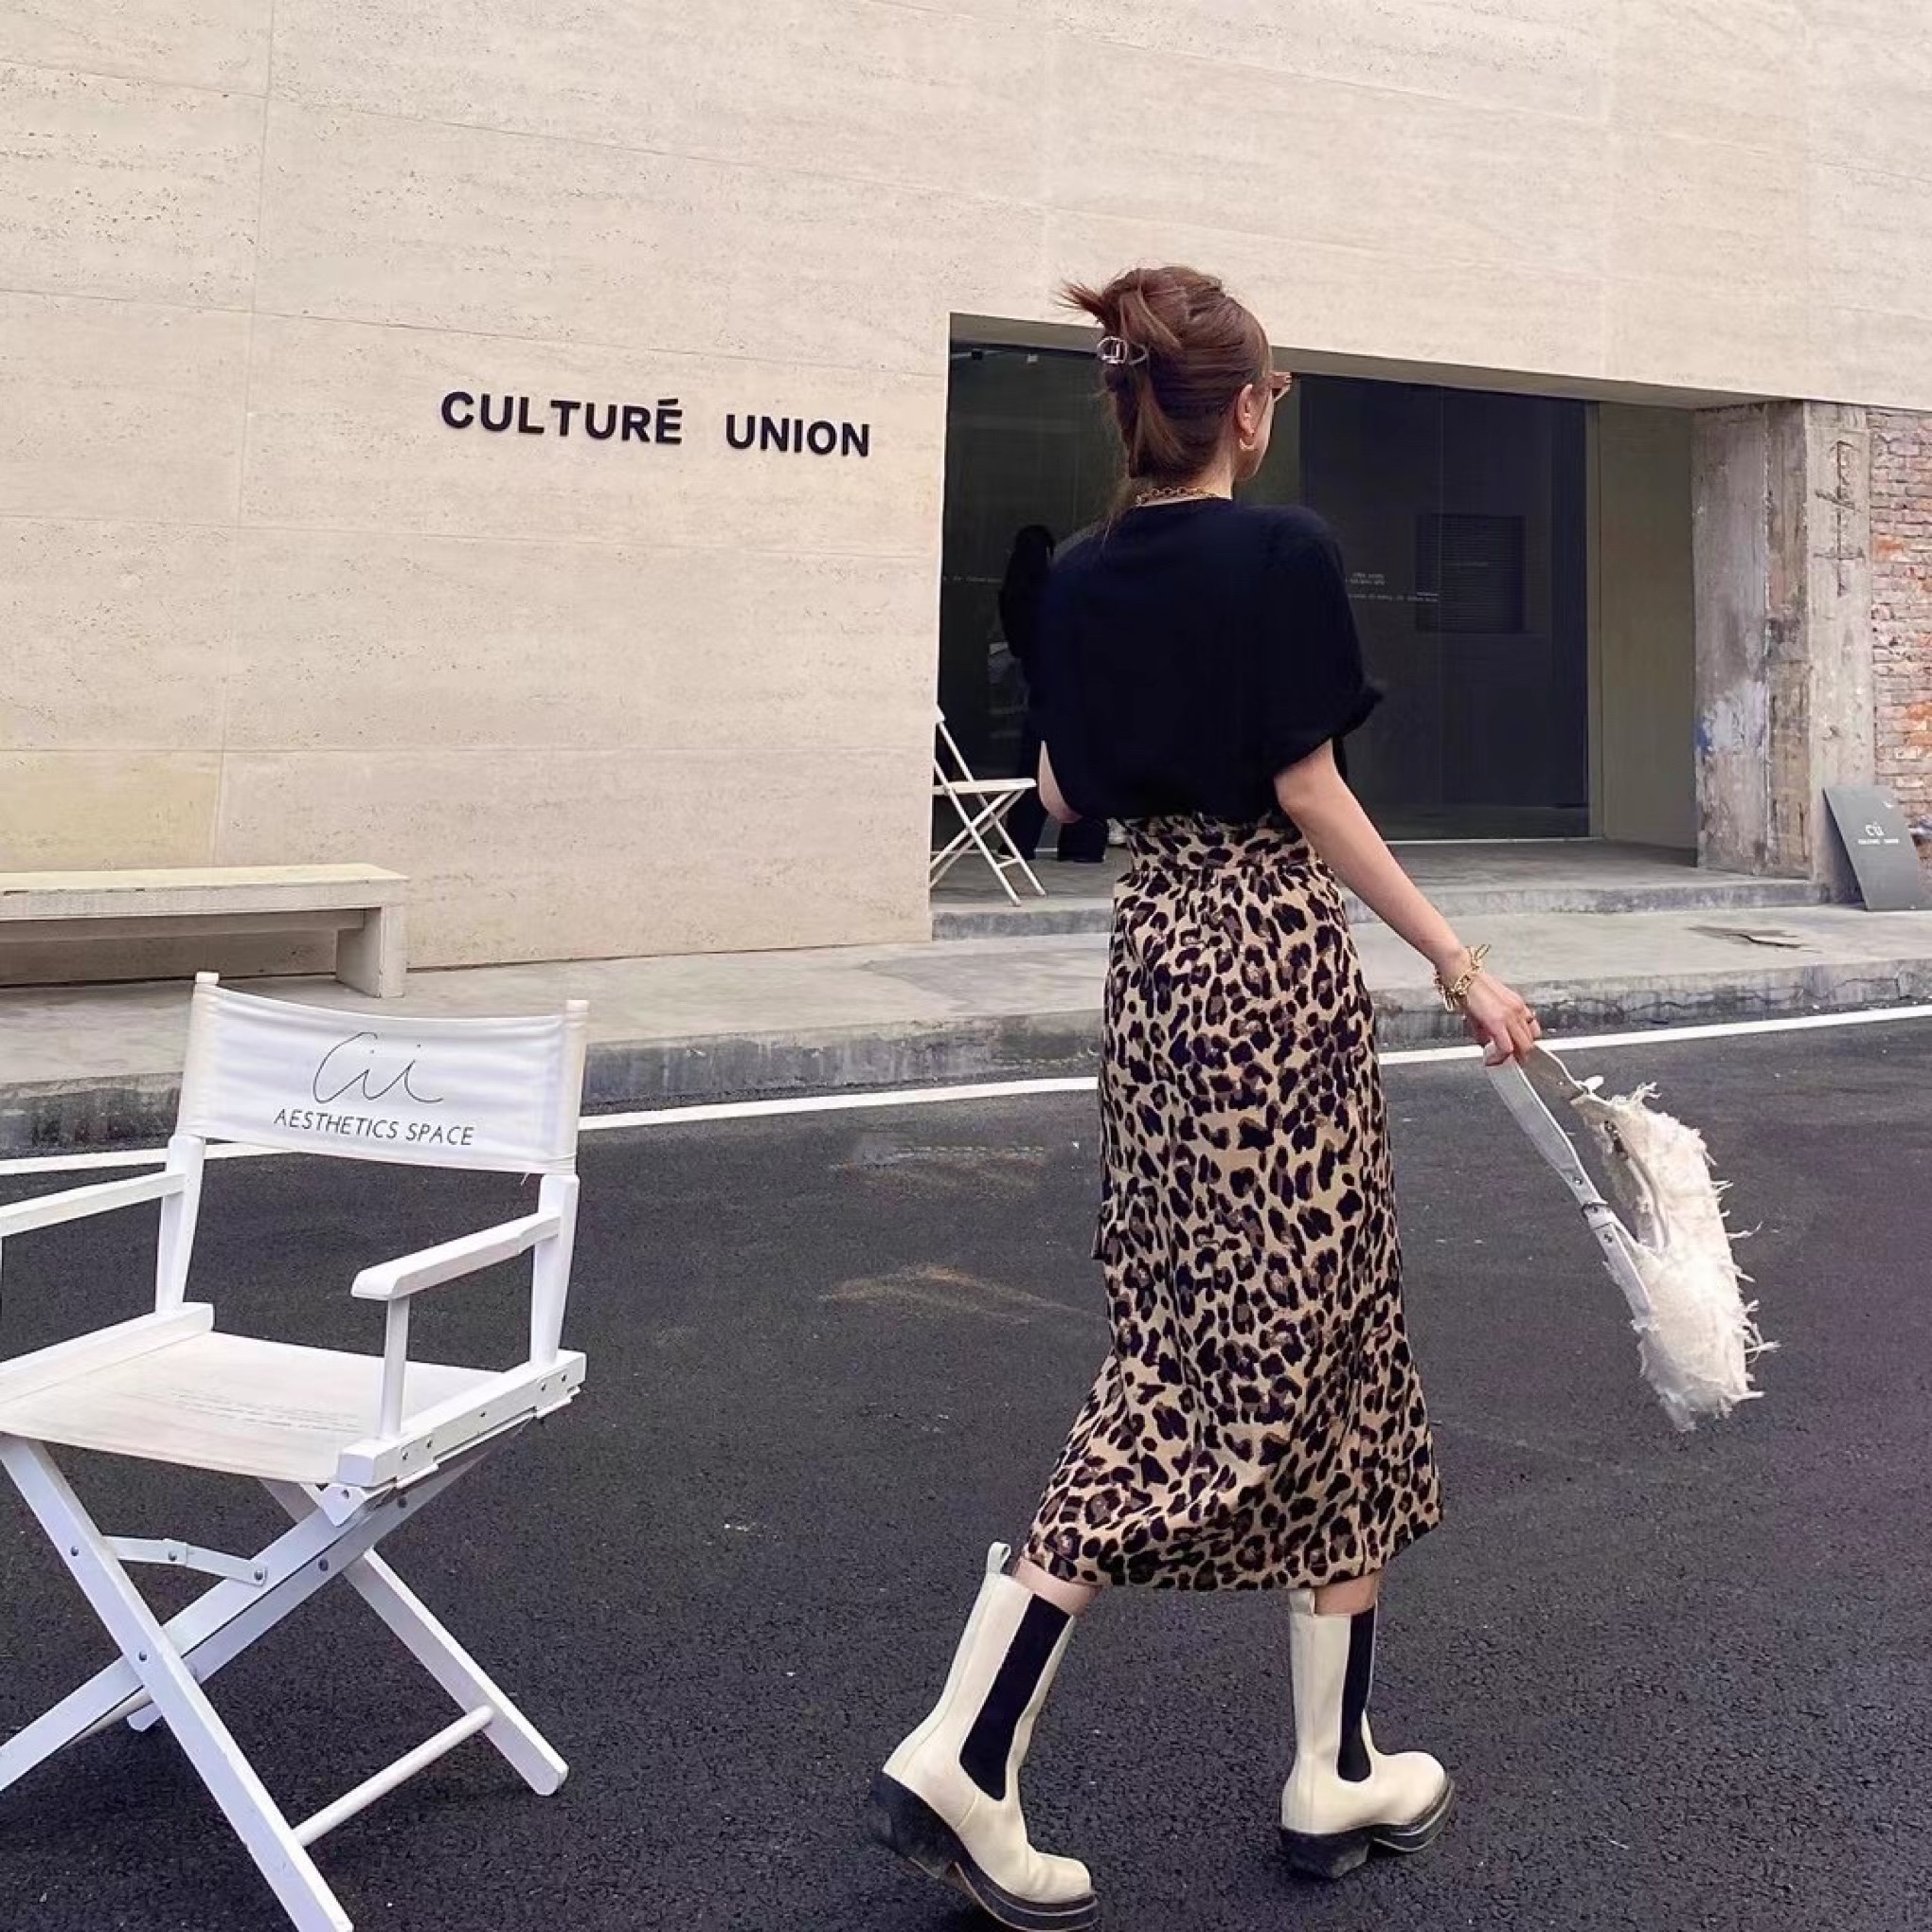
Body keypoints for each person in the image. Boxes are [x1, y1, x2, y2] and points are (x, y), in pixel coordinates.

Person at [868, 265, 1541, 1931]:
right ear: (1246, 406)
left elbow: (1062, 790)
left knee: (1289, 1337)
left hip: (1153, 963)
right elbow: (1309, 786)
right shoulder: (1284, 554)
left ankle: (1339, 1765)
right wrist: (1461, 962)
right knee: (1234, 1359)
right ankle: (968, 1743)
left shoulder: (1082, 575)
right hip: (1265, 968)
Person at [1000, 524, 1109, 865]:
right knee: (1083, 763)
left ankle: (1019, 841)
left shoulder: (1015, 595)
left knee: (1032, 769)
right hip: (1075, 686)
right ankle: (1082, 845)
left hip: (1040, 685)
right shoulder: (1059, 591)